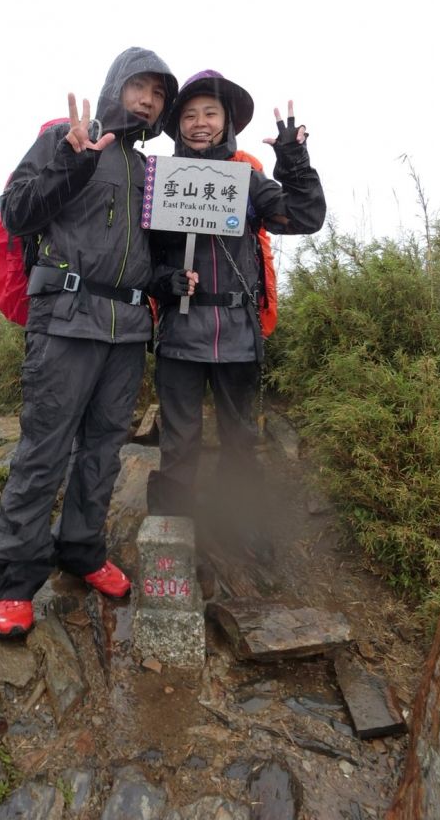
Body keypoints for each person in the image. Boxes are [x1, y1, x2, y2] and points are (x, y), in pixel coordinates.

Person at [0, 47, 178, 638]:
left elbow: (152, 255)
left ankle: (83, 551)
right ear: (116, 84)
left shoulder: (151, 171)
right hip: (66, 318)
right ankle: (15, 581)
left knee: (103, 451)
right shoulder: (63, 137)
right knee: (43, 450)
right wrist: (71, 162)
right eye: (140, 87)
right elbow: (16, 213)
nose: (148, 100)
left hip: (126, 330)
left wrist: (169, 282)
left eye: (158, 94)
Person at [147, 70, 326, 535]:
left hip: (240, 334)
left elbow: (306, 216)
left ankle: (242, 528)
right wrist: (166, 280)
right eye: (189, 115)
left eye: (210, 113)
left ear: (226, 122)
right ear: (178, 125)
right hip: (179, 337)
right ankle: (173, 535)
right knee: (179, 442)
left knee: (242, 439)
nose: (199, 123)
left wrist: (293, 159)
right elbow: (142, 259)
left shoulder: (246, 179)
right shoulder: (159, 181)